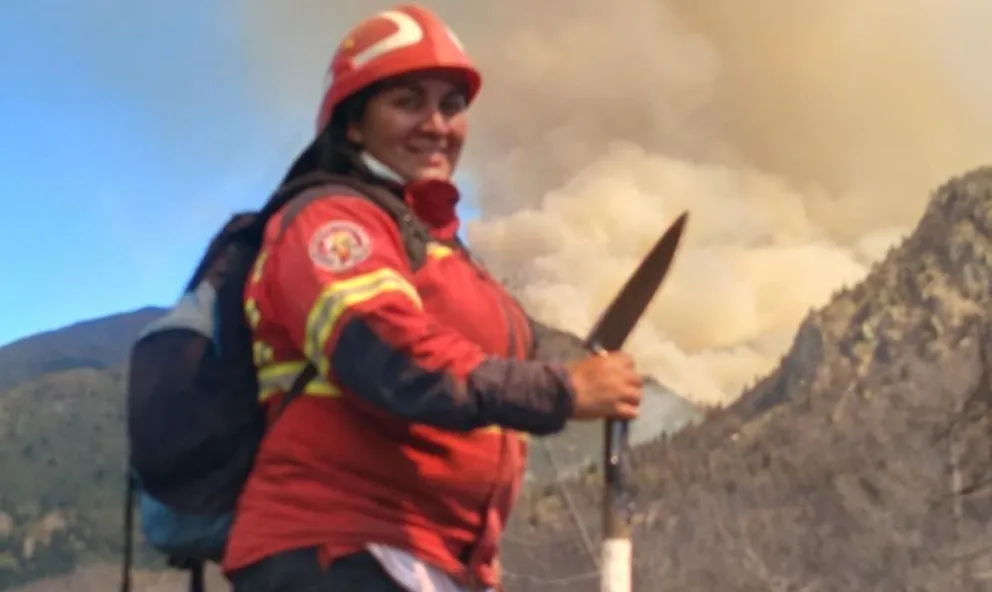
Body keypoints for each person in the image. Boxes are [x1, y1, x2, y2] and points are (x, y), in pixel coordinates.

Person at [221, 4, 645, 591]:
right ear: (352, 124)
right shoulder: (328, 223)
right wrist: (563, 391)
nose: (436, 124)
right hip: (340, 551)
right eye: (407, 101)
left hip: (433, 563)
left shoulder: (442, 250)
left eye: (451, 105)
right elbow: (385, 352)